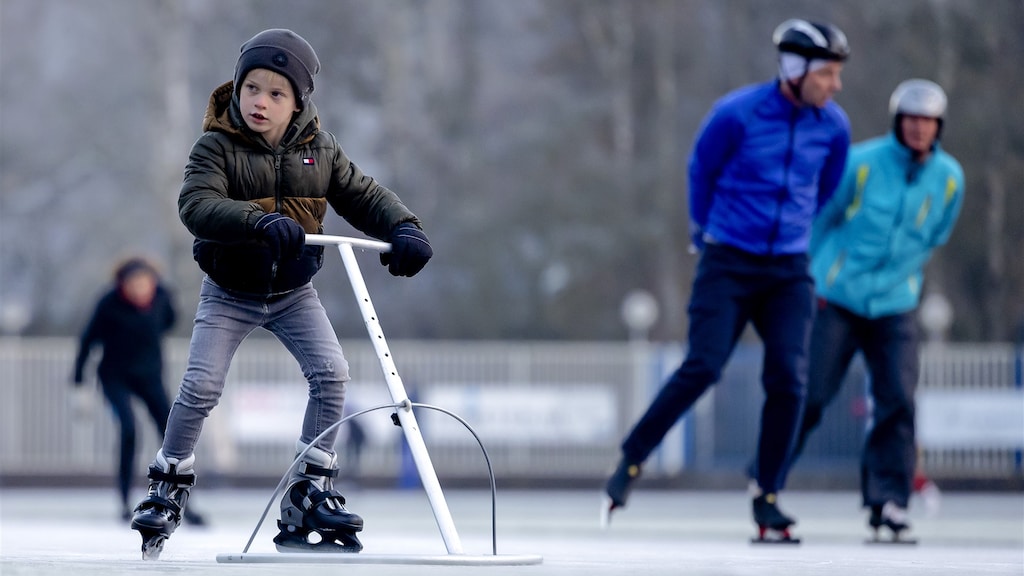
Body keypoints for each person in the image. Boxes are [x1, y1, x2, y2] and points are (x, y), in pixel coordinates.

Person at [129, 29, 432, 559]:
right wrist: (257, 220)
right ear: (237, 89)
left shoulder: (320, 150)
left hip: (293, 291)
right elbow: (195, 206)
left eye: (276, 93)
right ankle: (169, 479)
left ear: (298, 103)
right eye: (252, 89)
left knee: (333, 376)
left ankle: (309, 488)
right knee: (200, 384)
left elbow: (362, 194)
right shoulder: (215, 146)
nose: (260, 102)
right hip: (230, 290)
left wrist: (404, 228)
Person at [602, 19, 851, 542]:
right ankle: (631, 458)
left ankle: (767, 494)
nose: (835, 85)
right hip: (728, 261)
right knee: (703, 366)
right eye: (827, 74)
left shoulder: (834, 127)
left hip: (788, 270)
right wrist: (702, 231)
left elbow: (827, 186)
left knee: (789, 379)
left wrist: (796, 230)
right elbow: (701, 170)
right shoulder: (738, 113)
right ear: (795, 67)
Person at [781, 79, 963, 541]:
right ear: (897, 121)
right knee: (812, 394)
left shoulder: (949, 178)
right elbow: (822, 219)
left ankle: (889, 501)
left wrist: (901, 278)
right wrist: (812, 278)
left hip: (895, 302)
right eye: (911, 119)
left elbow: (937, 234)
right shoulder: (861, 164)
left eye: (928, 121)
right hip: (837, 296)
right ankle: (767, 481)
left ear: (938, 126)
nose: (919, 129)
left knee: (898, 400)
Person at [72, 257, 206, 526]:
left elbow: (168, 322)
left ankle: (182, 502)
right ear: (123, 284)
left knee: (173, 434)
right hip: (114, 377)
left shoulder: (163, 298)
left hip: (149, 377)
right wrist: (78, 385)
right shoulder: (109, 302)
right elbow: (88, 340)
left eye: (145, 283)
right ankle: (123, 502)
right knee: (129, 429)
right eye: (134, 284)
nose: (140, 289)